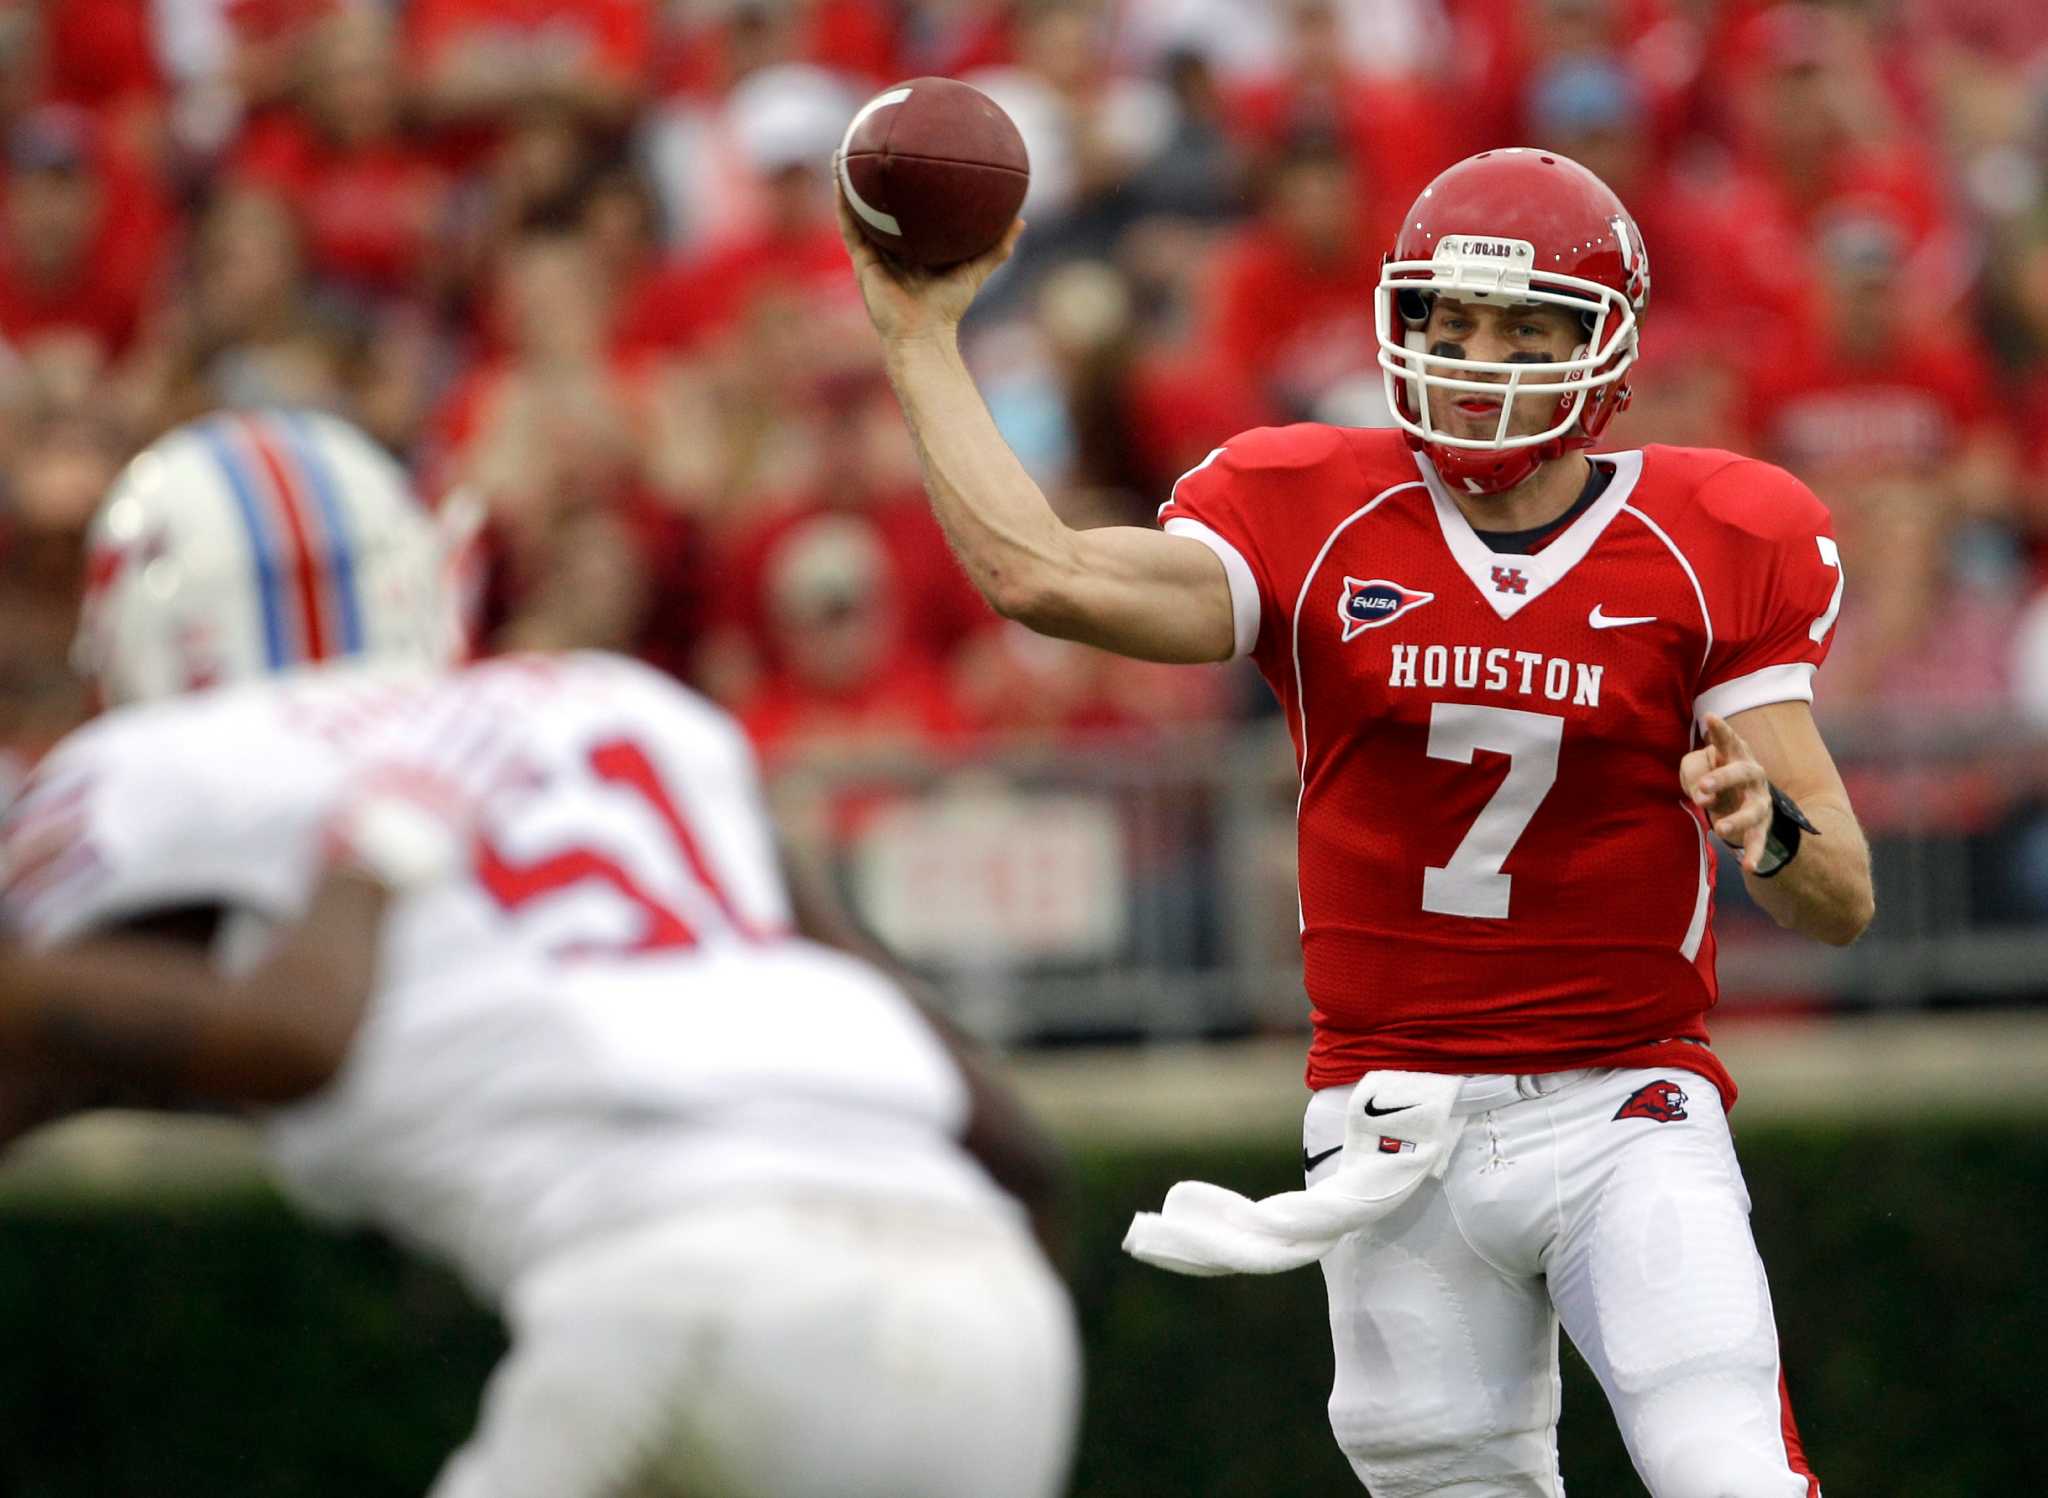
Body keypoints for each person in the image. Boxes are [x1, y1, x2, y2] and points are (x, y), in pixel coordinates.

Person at [841, 146, 1874, 1497]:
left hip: (1623, 1101)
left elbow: (1842, 894)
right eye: (1451, 321)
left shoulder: (1714, 534)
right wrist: (918, 338)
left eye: (1521, 326)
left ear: (1601, 347)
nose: (1476, 356)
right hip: (1391, 1121)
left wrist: (1768, 826)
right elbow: (1044, 575)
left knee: (1723, 1462)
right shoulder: (1314, 504)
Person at [0, 409, 1080, 1498]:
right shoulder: (620, 705)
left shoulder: (165, 769)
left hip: (676, 1288)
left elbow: (253, 1035)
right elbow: (996, 1125)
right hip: (993, 1313)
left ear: (136, 627)